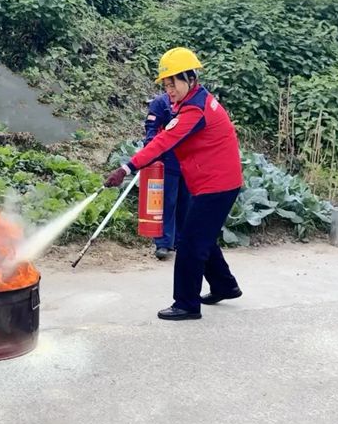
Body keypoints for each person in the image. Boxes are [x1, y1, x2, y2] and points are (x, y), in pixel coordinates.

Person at [104, 47, 243, 321]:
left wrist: (126, 167)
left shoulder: (195, 110)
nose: (169, 90)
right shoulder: (194, 100)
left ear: (190, 78)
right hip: (212, 182)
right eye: (165, 85)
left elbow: (163, 142)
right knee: (201, 236)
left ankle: (186, 304)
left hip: (217, 186)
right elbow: (163, 136)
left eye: (173, 84)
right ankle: (225, 286)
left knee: (190, 243)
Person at [144, 92, 189, 260]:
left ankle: (181, 241)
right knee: (167, 202)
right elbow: (151, 128)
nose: (172, 88)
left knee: (186, 202)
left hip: (189, 162)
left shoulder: (192, 102)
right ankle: (163, 243)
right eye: (169, 84)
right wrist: (151, 150)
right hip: (168, 160)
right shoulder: (160, 102)